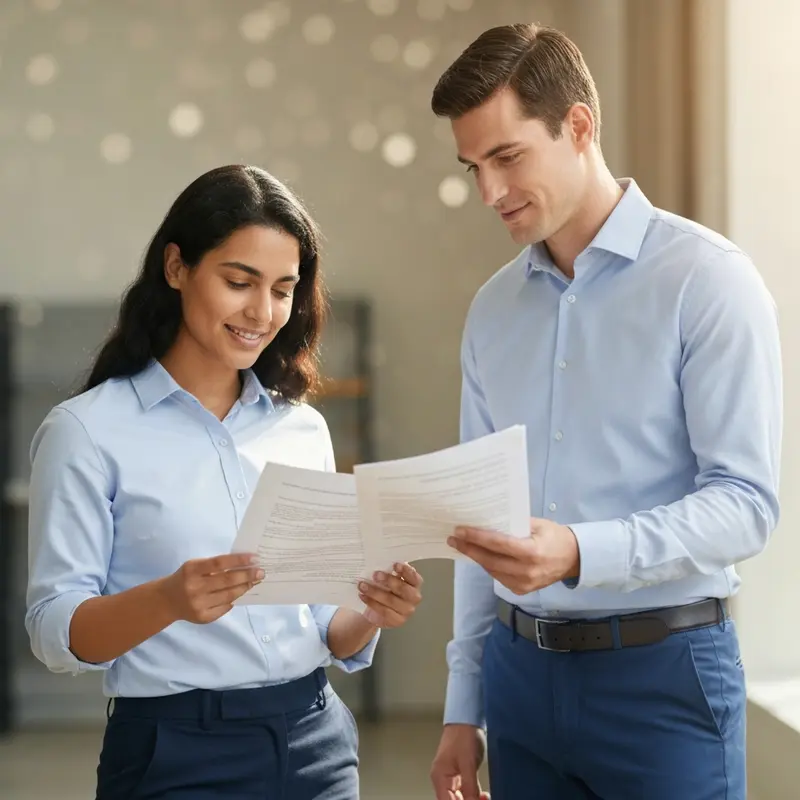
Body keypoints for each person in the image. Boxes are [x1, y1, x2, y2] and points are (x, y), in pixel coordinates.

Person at [427, 23, 781, 800]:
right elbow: (480, 517)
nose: (488, 193)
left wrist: (582, 552)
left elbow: (747, 505)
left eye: (507, 157)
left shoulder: (708, 282)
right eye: (473, 167)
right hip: (518, 682)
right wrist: (466, 707)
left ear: (580, 126)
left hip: (663, 680)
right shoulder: (491, 312)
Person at [25, 164, 423, 800]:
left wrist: (370, 611)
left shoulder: (304, 431)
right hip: (173, 753)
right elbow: (54, 632)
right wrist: (168, 601)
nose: (262, 313)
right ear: (176, 267)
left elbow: (326, 626)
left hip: (315, 742)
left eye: (283, 289)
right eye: (239, 282)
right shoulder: (86, 432)